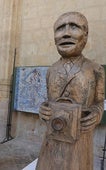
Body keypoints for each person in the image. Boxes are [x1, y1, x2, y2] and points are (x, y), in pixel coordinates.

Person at [36, 12, 105, 170]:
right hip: (52, 139)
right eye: (60, 28)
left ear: (85, 34)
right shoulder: (51, 70)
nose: (66, 33)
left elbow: (99, 102)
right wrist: (43, 110)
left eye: (74, 27)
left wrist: (96, 114)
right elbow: (50, 102)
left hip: (79, 140)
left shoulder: (95, 69)